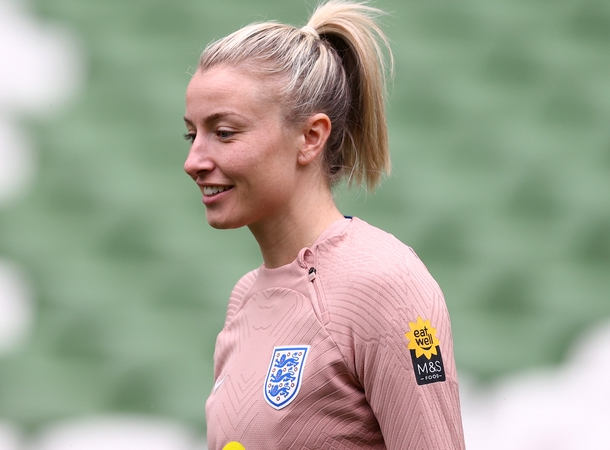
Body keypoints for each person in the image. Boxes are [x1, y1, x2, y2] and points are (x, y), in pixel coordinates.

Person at [183, 1, 465, 448]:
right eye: (191, 134)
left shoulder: (384, 284)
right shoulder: (244, 299)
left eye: (224, 132)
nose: (193, 161)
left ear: (311, 138)